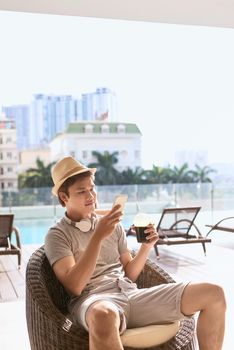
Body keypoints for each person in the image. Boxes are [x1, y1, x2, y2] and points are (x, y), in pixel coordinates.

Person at [45, 156, 226, 350]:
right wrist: (97, 238)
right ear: (64, 197)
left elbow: (130, 273)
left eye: (92, 188)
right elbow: (74, 287)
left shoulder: (112, 226)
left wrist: (146, 247)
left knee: (213, 293)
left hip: (131, 294)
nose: (91, 196)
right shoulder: (57, 235)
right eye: (82, 191)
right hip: (94, 301)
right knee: (103, 315)